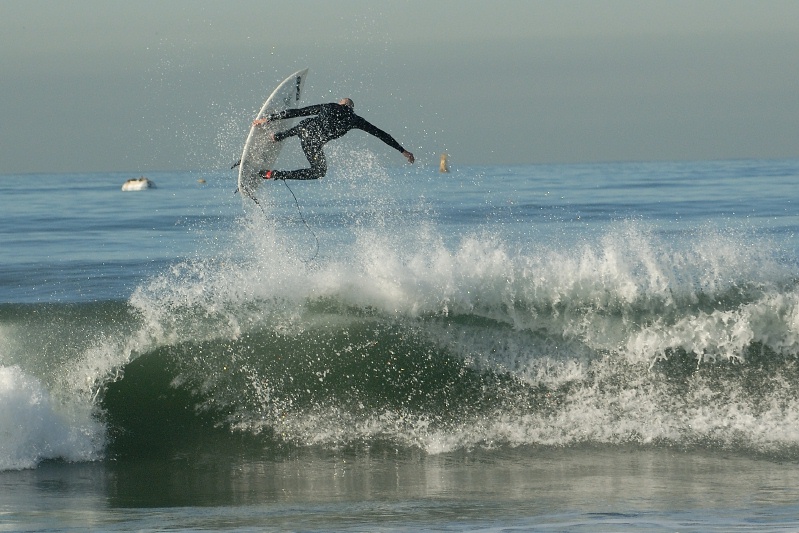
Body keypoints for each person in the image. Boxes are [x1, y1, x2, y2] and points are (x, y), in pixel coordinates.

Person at [252, 98, 414, 180]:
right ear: (351, 108)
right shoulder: (355, 120)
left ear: (341, 104)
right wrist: (403, 151)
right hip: (313, 146)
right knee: (319, 171)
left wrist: (268, 119)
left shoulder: (329, 106)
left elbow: (298, 112)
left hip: (302, 131)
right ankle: (273, 175)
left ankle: (278, 136)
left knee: (307, 123)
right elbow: (381, 134)